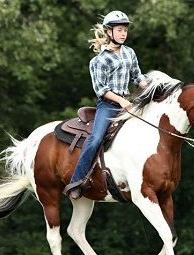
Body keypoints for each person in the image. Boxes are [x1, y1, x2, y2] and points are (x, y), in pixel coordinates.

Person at [64, 10, 148, 200]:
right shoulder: (98, 61)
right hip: (109, 106)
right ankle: (77, 181)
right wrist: (121, 101)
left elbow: (138, 77)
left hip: (129, 103)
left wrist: (153, 89)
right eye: (119, 30)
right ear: (109, 32)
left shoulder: (130, 53)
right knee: (95, 139)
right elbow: (101, 90)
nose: (123, 33)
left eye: (125, 30)